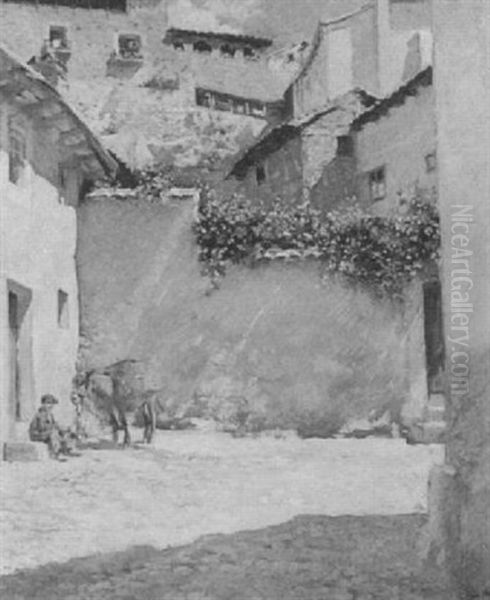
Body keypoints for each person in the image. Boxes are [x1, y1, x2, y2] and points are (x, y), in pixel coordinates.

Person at [29, 394, 79, 460]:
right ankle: (56, 453)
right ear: (43, 404)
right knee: (53, 433)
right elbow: (42, 428)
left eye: (52, 404)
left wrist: (66, 429)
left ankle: (68, 449)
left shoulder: (50, 414)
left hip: (46, 433)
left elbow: (55, 425)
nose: (50, 406)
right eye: (48, 403)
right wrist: (53, 429)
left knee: (65, 432)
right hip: (37, 435)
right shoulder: (40, 415)